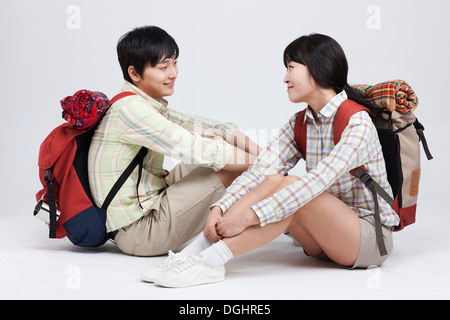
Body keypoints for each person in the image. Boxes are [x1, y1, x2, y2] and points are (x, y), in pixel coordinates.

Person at [143, 33, 400, 288]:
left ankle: (210, 263)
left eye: (291, 68)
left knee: (292, 185)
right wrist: (219, 209)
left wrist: (247, 218)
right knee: (274, 179)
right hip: (320, 239)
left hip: (367, 239)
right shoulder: (299, 123)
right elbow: (260, 171)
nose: (285, 78)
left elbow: (315, 183)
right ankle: (190, 256)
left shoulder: (357, 123)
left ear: (318, 68)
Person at [88, 26, 259, 257]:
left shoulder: (145, 103)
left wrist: (266, 156)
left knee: (220, 142)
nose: (173, 73)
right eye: (163, 67)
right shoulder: (131, 110)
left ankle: (277, 204)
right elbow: (194, 149)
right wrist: (267, 164)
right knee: (227, 166)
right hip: (137, 231)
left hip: (154, 195)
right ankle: (277, 215)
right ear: (135, 73)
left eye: (175, 63)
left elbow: (212, 128)